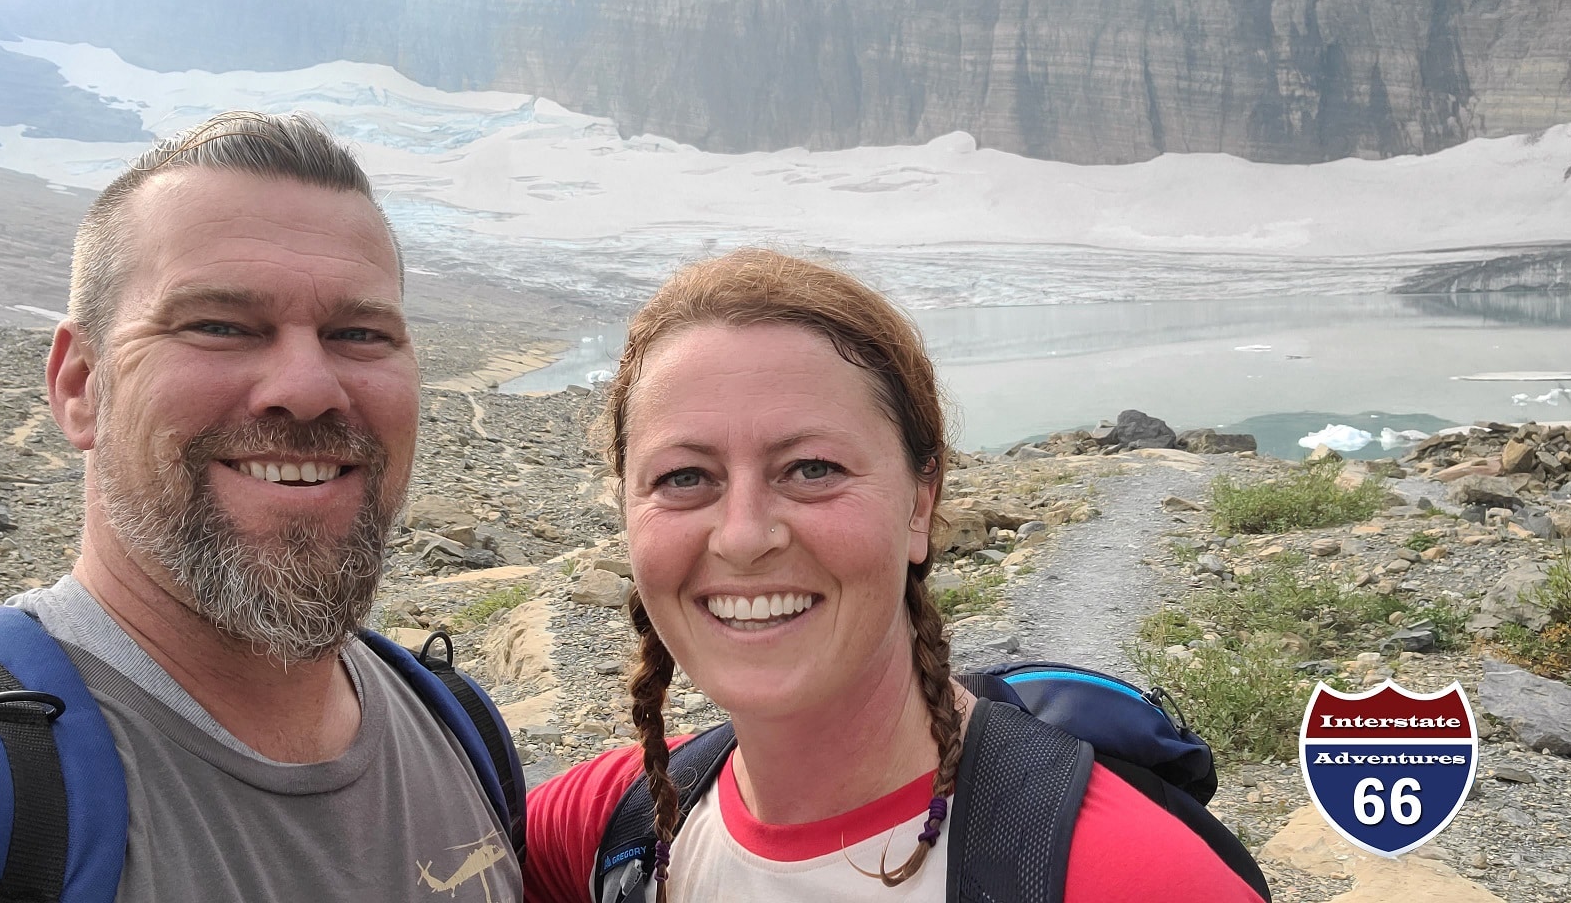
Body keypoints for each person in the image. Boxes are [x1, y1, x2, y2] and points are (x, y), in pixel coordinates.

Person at [521, 249, 1266, 902]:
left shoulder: (1129, 877)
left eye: (812, 469)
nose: (744, 536)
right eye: (685, 476)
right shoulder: (603, 831)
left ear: (921, 501)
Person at [0, 112, 523, 901]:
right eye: (219, 326)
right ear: (80, 386)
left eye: (360, 333)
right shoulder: (4, 769)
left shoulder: (460, 729)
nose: (307, 389)